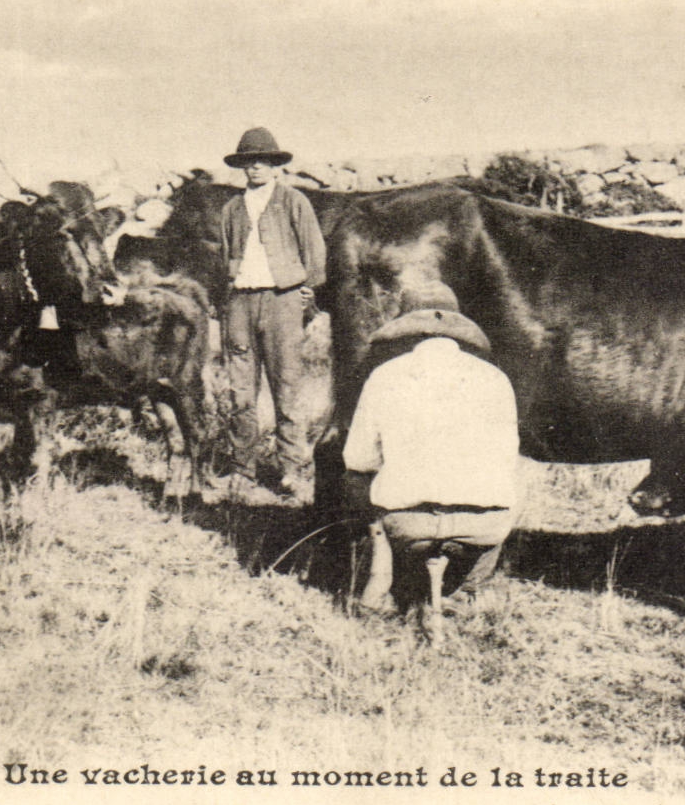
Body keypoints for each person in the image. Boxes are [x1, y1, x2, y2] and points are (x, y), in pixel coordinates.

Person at [343, 282, 521, 635]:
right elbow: (507, 458)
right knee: (514, 487)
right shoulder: (495, 378)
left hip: (408, 527)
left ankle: (382, 576)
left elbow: (357, 458)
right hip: (480, 529)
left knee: (356, 478)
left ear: (406, 329)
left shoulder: (385, 375)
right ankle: (466, 590)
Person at [215, 127, 326, 498]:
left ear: (275, 166)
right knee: (241, 389)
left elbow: (314, 251)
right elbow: (224, 257)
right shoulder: (231, 208)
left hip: (283, 301)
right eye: (249, 162)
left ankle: (291, 469)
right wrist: (228, 298)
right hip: (240, 303)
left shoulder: (293, 201)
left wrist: (307, 291)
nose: (256, 168)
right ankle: (242, 469)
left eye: (263, 161)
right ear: (242, 167)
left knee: (287, 385)